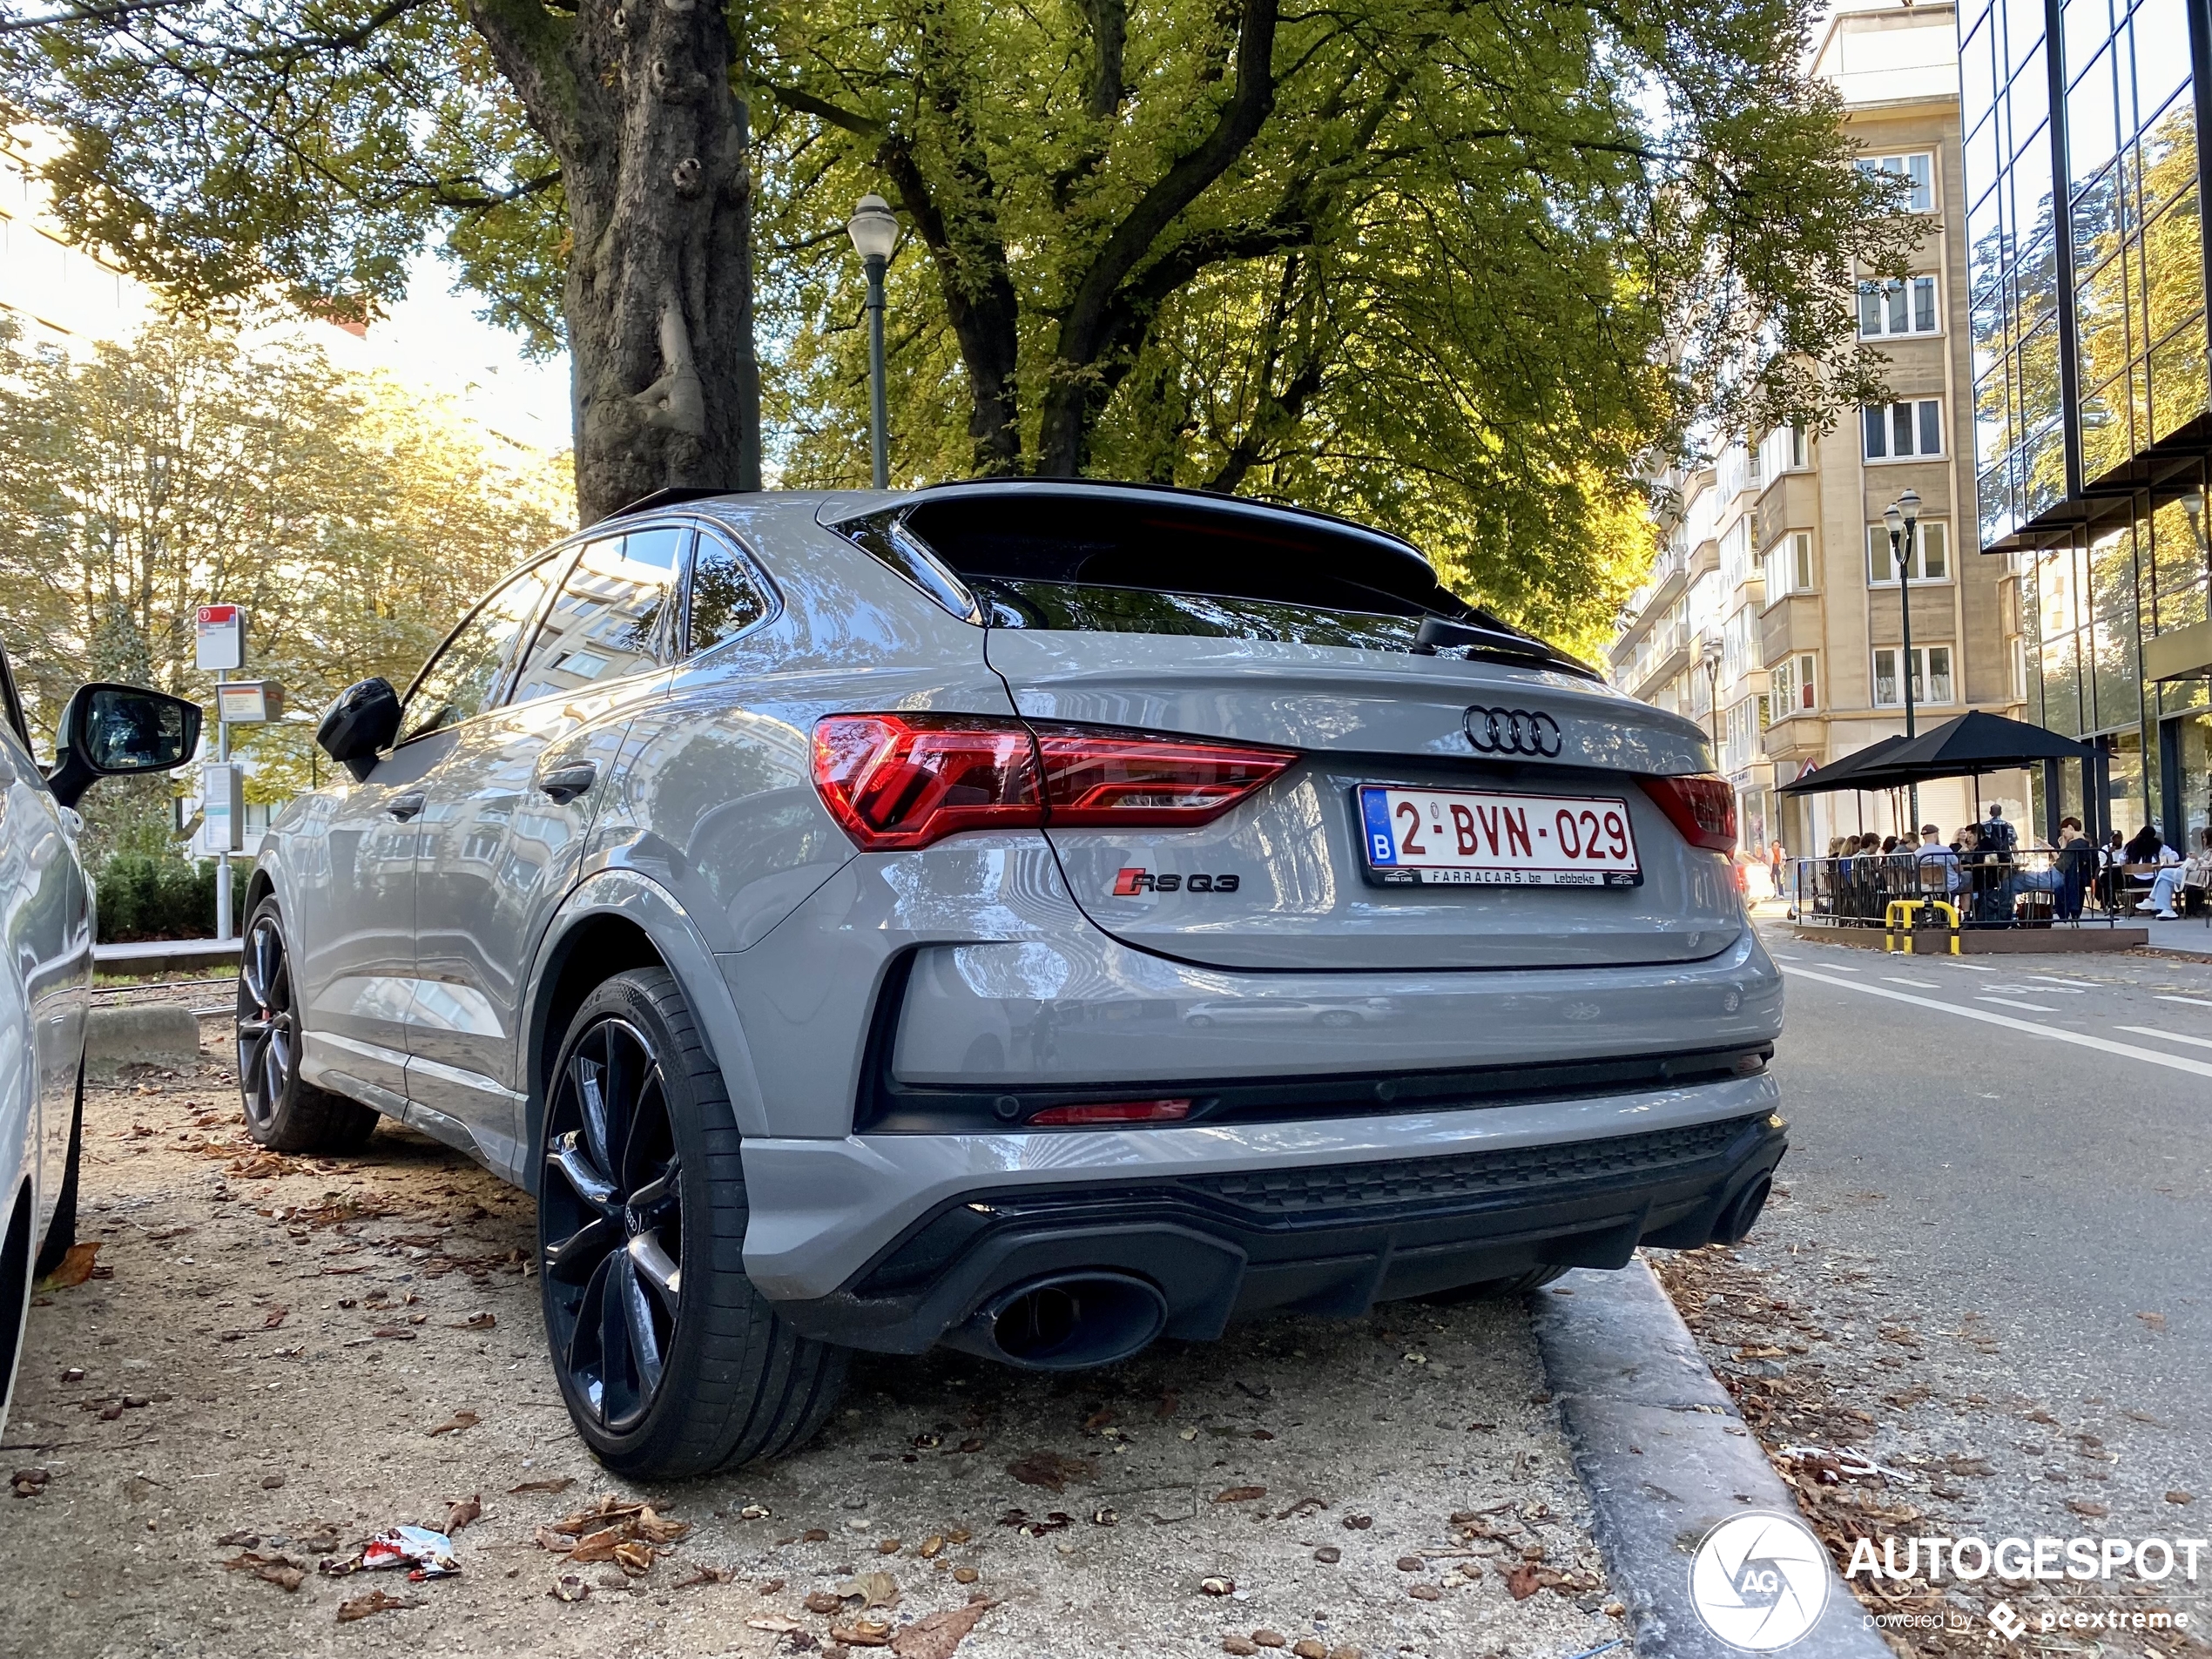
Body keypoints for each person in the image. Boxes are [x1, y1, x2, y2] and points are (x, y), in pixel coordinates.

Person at [2133, 826, 2187, 918]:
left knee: (2163, 877)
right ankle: (2163, 907)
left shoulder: (2131, 845)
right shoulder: (2158, 846)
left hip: (2136, 879)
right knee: (2163, 876)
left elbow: (2122, 859)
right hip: (2152, 878)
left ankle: (2153, 900)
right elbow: (2176, 857)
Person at [2054, 815, 2094, 921]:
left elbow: (2063, 863)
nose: (2064, 835)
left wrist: (2063, 845)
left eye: (2064, 831)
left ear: (2071, 828)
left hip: (2071, 879)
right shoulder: (2084, 843)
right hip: (2080, 878)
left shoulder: (2075, 845)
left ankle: (2065, 913)